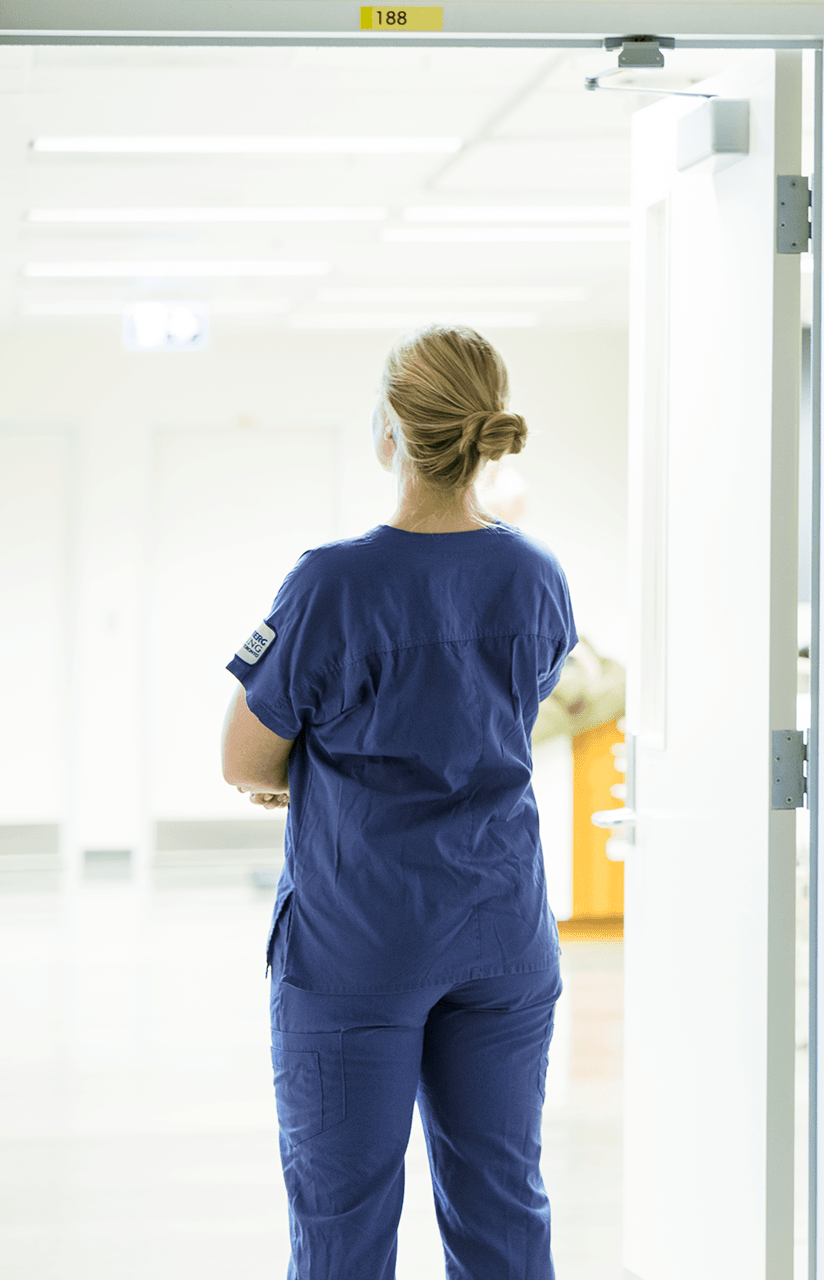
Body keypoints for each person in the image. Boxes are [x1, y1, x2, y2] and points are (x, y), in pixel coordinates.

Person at [219, 325, 577, 1278]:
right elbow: (495, 720)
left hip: (358, 945)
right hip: (500, 938)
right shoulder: (534, 576)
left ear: (392, 430)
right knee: (504, 1206)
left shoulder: (334, 582)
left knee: (343, 1225)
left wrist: (296, 774)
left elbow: (243, 755)